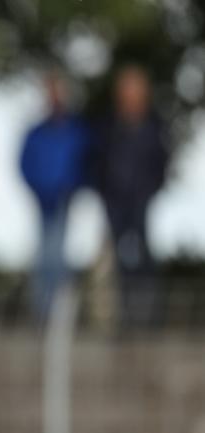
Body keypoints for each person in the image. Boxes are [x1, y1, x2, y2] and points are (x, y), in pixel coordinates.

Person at [93, 66, 168, 328]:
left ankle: (149, 316)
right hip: (114, 202)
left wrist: (150, 190)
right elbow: (99, 162)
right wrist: (104, 193)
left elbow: (160, 163)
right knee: (117, 262)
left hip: (142, 200)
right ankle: (123, 316)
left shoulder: (153, 125)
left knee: (144, 258)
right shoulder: (109, 125)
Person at [19, 71, 90, 321]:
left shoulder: (76, 131)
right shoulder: (37, 132)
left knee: (58, 254)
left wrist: (71, 187)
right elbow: (24, 164)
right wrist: (39, 189)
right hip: (42, 200)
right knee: (44, 255)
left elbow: (84, 164)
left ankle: (60, 312)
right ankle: (43, 311)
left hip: (65, 199)